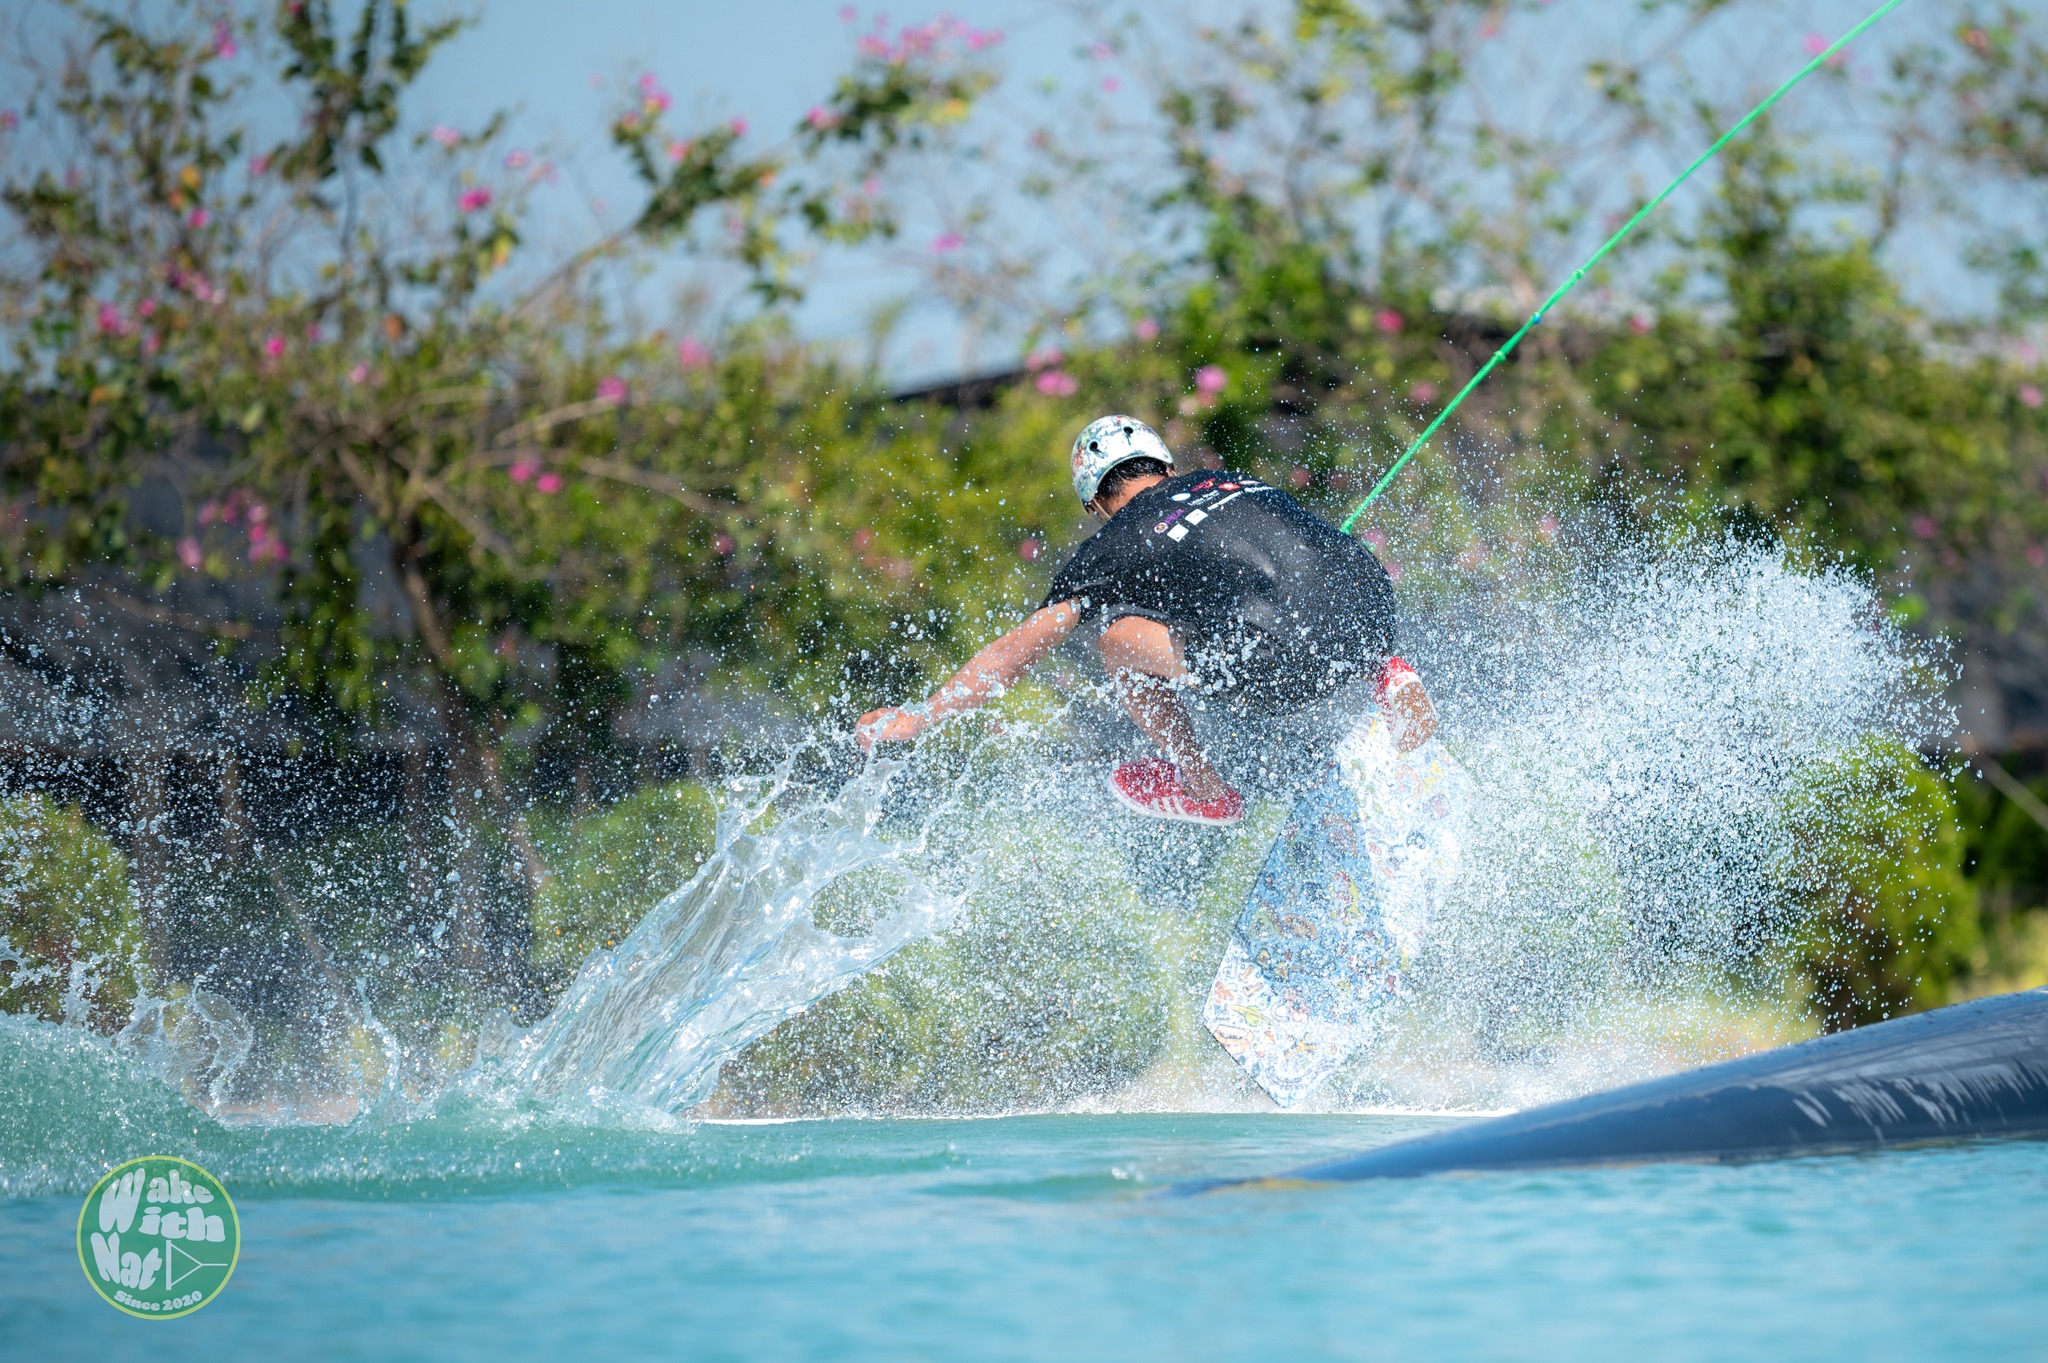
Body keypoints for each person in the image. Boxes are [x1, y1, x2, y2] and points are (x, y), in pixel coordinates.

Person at [856, 415, 1436, 826]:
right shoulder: (1230, 477)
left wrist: (920, 717)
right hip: (1372, 605)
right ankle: (1387, 675)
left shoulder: (1111, 544)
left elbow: (1019, 650)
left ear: (1094, 502)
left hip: (1284, 660)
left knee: (1117, 640)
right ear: (1165, 464)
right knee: (1304, 594)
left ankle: (1202, 787)